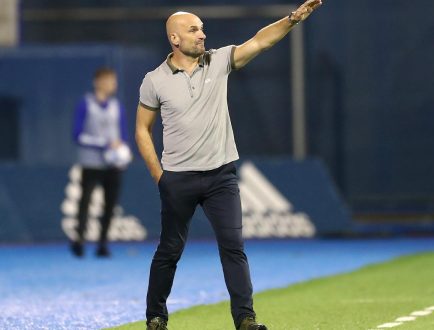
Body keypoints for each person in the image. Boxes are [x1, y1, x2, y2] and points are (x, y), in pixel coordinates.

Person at [135, 1, 322, 329]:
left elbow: (261, 41)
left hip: (221, 176)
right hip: (177, 179)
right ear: (174, 39)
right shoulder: (154, 80)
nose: (202, 34)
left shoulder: (218, 61)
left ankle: (245, 320)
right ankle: (155, 317)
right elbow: (141, 130)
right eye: (194, 30)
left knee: (233, 247)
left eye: (202, 28)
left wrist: (293, 19)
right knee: (169, 251)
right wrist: (159, 176)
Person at [71, 67, 131, 258]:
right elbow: (78, 135)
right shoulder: (86, 104)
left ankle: (102, 243)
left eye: (114, 81)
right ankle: (79, 240)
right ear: (98, 82)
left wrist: (122, 152)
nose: (112, 85)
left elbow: (123, 135)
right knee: (85, 202)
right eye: (108, 81)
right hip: (91, 163)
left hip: (113, 164)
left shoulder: (117, 106)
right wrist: (104, 144)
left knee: (110, 204)